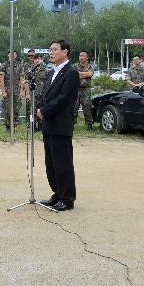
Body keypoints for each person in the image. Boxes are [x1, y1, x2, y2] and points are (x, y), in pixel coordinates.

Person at [36, 39, 79, 212]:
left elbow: (64, 99)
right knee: (51, 162)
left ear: (65, 52)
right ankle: (57, 193)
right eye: (50, 49)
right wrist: (39, 107)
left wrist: (45, 111)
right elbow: (45, 94)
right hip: (49, 124)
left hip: (61, 124)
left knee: (63, 163)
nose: (51, 52)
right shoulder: (52, 72)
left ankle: (67, 198)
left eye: (54, 49)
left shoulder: (71, 73)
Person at [0, 50, 25, 130]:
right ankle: (8, 127)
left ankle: (14, 126)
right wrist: (3, 92)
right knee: (8, 110)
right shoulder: (4, 65)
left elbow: (21, 79)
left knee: (16, 109)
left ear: (16, 55)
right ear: (8, 55)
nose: (12, 55)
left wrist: (21, 91)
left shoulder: (20, 66)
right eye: (11, 54)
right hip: (7, 91)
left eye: (14, 54)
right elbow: (1, 79)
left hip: (17, 92)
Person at [74, 50, 95, 130]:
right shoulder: (75, 66)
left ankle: (90, 125)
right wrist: (85, 75)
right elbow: (74, 75)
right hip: (76, 89)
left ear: (87, 57)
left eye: (83, 56)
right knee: (74, 107)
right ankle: (72, 124)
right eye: (80, 56)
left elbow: (90, 74)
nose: (81, 57)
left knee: (87, 107)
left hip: (86, 90)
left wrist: (79, 74)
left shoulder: (89, 66)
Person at [28, 53, 48, 130]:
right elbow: (26, 82)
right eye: (36, 59)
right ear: (34, 60)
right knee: (32, 111)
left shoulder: (45, 70)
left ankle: (41, 126)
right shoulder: (31, 71)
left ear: (42, 60)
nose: (37, 60)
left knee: (42, 110)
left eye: (39, 59)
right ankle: (33, 126)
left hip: (42, 94)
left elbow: (48, 83)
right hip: (33, 94)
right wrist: (28, 94)